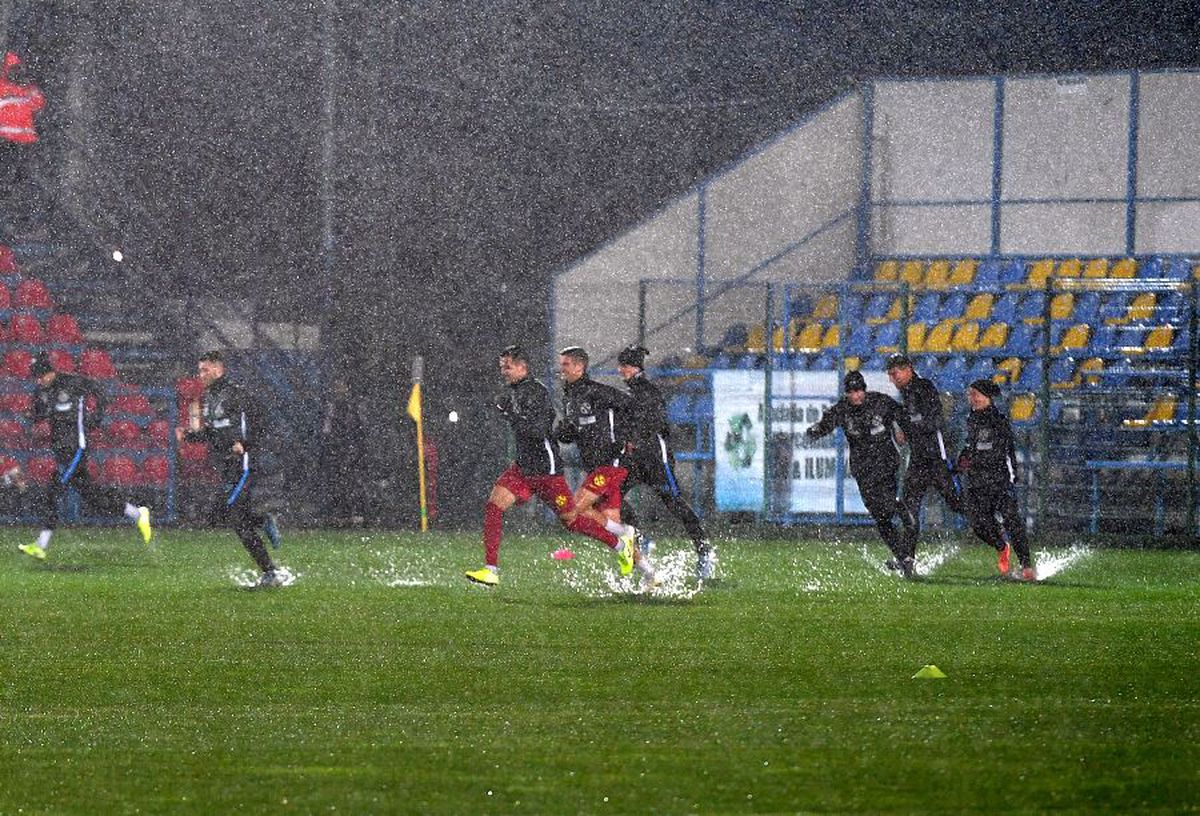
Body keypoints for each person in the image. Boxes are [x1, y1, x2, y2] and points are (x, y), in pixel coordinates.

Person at [465, 345, 644, 588]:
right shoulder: (516, 392)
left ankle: (622, 543)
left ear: (522, 366)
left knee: (572, 520)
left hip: (546, 470)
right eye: (501, 367)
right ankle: (491, 570)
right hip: (523, 468)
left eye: (507, 366)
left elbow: (538, 431)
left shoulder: (536, 392)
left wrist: (510, 415)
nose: (504, 372)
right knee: (494, 506)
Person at [18, 354, 152, 560]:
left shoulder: (73, 382)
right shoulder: (41, 391)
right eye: (36, 377)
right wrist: (30, 417)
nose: (39, 380)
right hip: (61, 451)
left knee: (53, 491)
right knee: (94, 498)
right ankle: (137, 514)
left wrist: (96, 417)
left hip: (76, 449)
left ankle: (41, 545)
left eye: (41, 375)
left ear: (50, 371)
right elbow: (39, 414)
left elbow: (100, 392)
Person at [176, 350, 285, 587]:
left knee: (237, 520)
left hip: (243, 465)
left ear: (219, 369)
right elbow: (215, 433)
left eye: (206, 370)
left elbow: (264, 423)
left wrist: (245, 444)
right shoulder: (209, 398)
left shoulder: (237, 395)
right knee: (218, 517)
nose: (201, 374)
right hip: (227, 467)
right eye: (200, 370)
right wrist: (191, 436)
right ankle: (263, 520)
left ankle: (270, 573)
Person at [555, 346, 657, 583]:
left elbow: (632, 408)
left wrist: (629, 438)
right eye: (561, 365)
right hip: (597, 467)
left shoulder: (597, 392)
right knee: (605, 518)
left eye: (566, 364)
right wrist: (564, 432)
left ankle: (623, 536)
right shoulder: (570, 397)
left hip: (611, 464)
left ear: (580, 366)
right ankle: (650, 573)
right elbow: (576, 430)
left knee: (572, 510)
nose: (562, 369)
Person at [805, 370, 918, 578]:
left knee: (885, 501)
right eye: (852, 392)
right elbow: (826, 424)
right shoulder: (842, 410)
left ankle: (901, 509)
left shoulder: (880, 402)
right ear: (847, 393)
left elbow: (901, 415)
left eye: (859, 391)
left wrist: (900, 429)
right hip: (862, 468)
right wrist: (814, 431)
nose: (856, 396)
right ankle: (903, 558)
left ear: (864, 390)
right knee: (880, 517)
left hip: (885, 461)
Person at [615, 345, 715, 580]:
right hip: (635, 458)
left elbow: (656, 424)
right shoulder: (632, 391)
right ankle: (641, 540)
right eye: (621, 365)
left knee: (674, 503)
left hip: (654, 458)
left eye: (624, 366)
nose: (620, 370)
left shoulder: (647, 392)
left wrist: (636, 439)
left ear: (635, 368)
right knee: (614, 497)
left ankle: (704, 551)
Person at [886, 353, 963, 561]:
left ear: (908, 369)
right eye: (890, 375)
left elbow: (935, 421)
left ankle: (992, 522)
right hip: (918, 461)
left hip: (936, 458)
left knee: (956, 503)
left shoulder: (924, 387)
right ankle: (907, 558)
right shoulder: (907, 394)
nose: (893, 379)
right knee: (909, 506)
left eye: (895, 373)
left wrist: (908, 429)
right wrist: (900, 431)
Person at [957, 379, 1035, 581]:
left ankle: (1026, 565)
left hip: (998, 480)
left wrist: (1011, 476)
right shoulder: (970, 419)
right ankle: (1002, 546)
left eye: (975, 394)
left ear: (987, 397)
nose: (971, 398)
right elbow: (970, 447)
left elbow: (1004, 452)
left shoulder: (999, 421)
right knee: (977, 524)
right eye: (969, 394)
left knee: (1012, 519)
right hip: (976, 482)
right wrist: (962, 460)